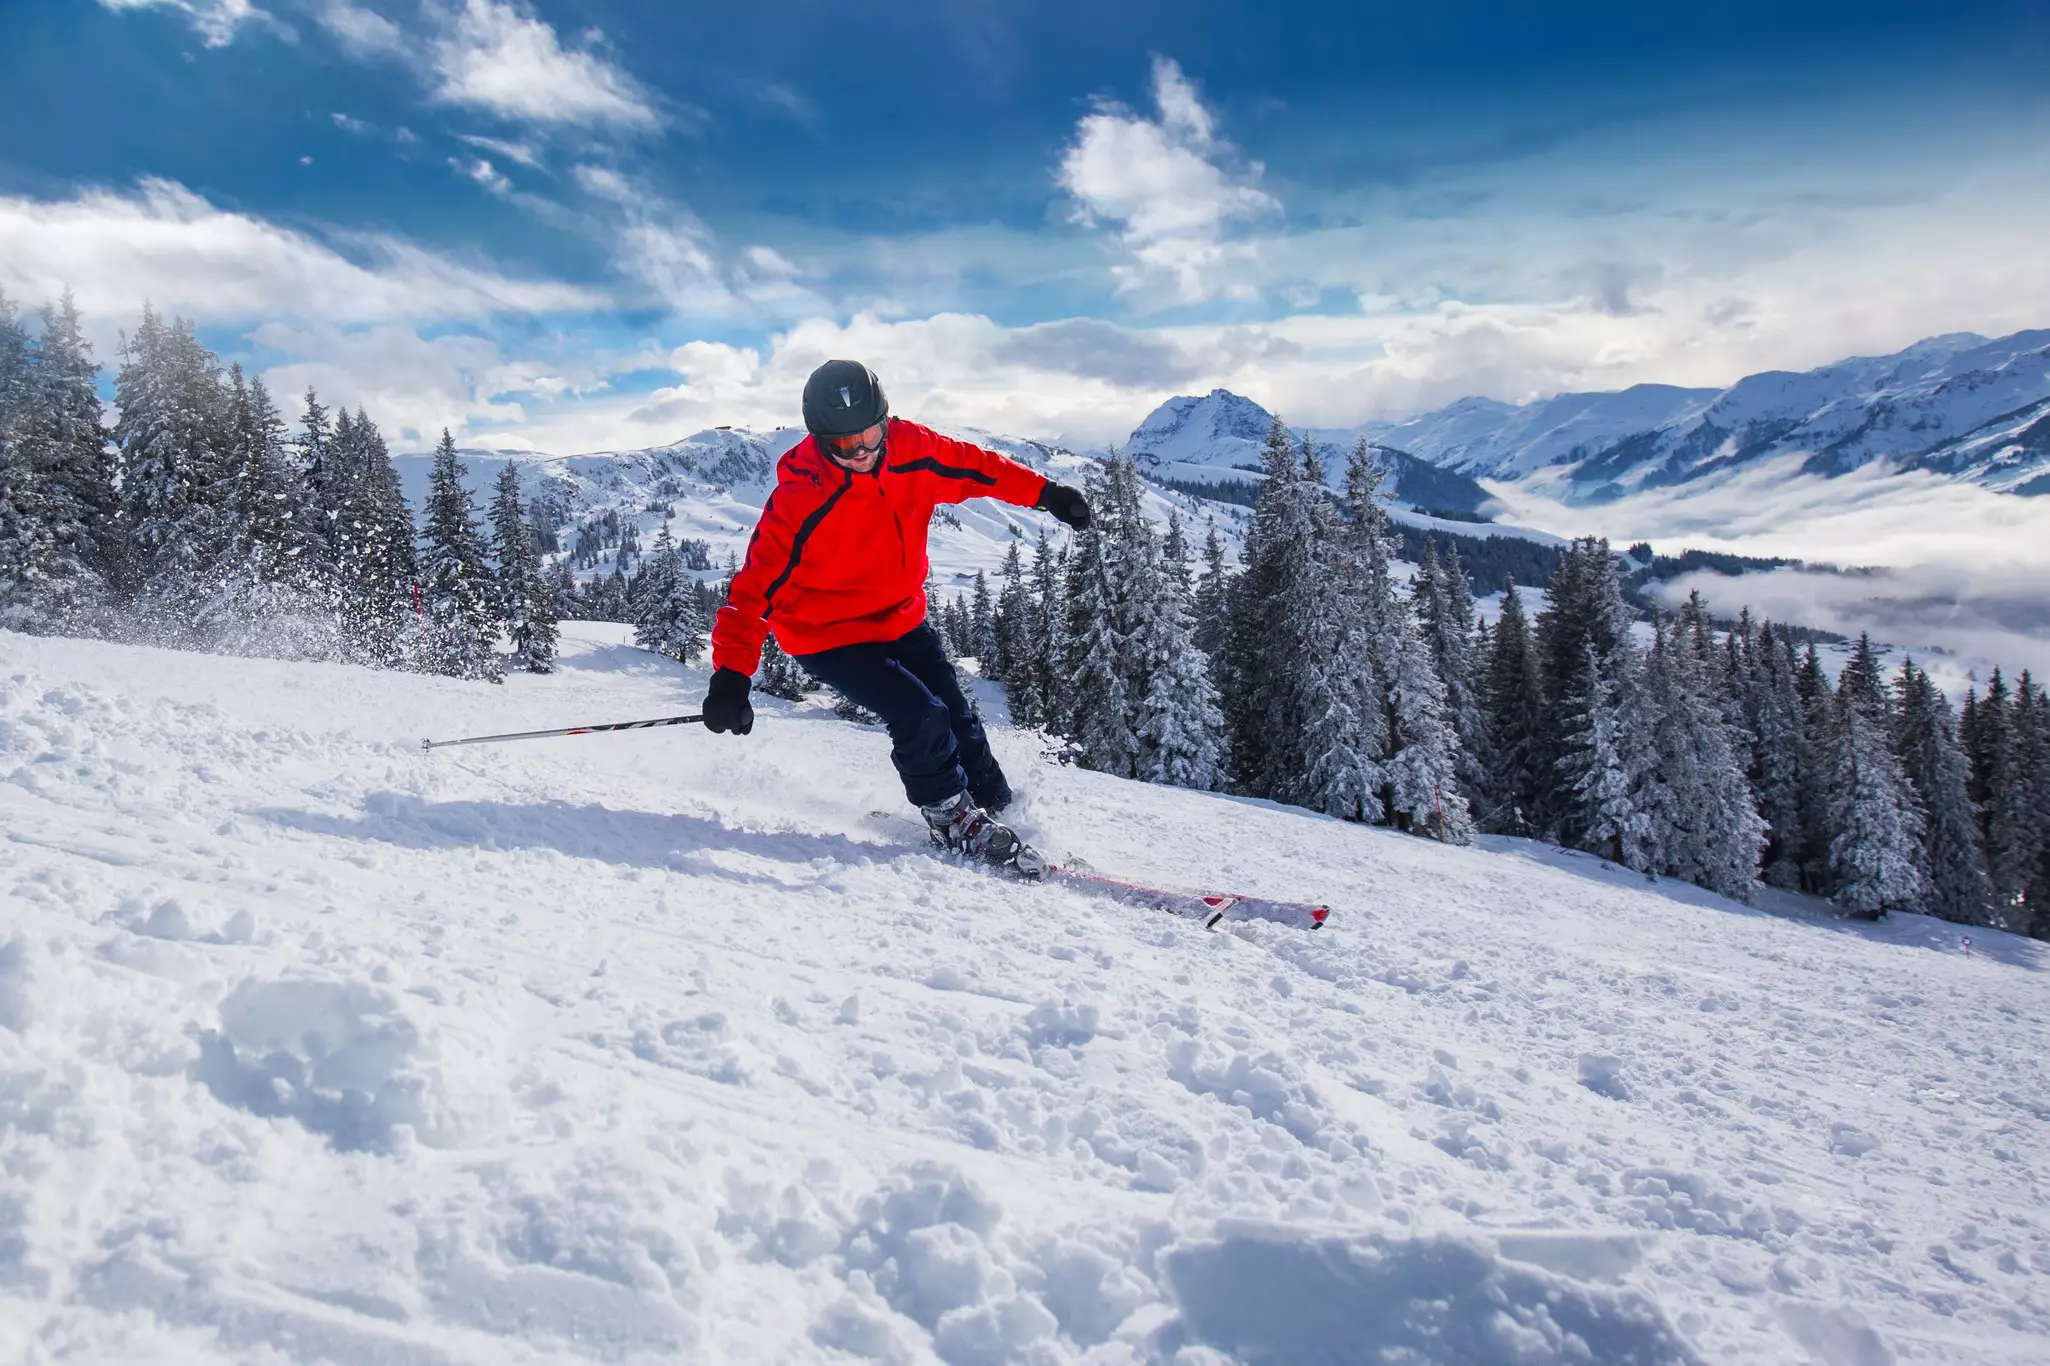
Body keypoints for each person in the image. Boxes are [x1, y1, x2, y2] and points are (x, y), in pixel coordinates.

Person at [700, 359, 1092, 875]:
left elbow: (980, 468)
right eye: (844, 444)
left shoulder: (913, 450)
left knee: (959, 719)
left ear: (887, 420)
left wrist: (1046, 494)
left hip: (900, 616)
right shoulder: (800, 499)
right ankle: (951, 819)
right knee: (919, 714)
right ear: (820, 440)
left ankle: (999, 809)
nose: (861, 451)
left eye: (870, 435)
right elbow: (751, 592)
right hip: (828, 636)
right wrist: (731, 676)